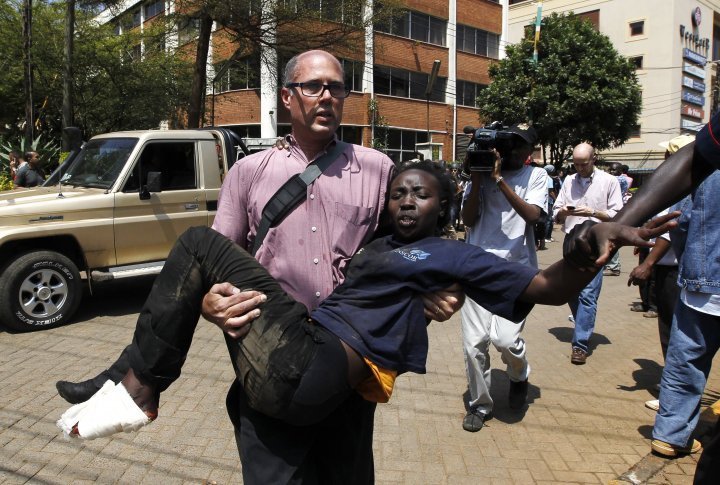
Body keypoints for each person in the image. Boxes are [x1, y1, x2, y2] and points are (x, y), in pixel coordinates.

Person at [55, 49, 462, 484]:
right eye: (313, 87)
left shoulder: (377, 169)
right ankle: (134, 384)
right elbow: (215, 260)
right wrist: (209, 302)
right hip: (268, 355)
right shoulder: (249, 172)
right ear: (287, 97)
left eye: (336, 87)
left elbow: (409, 243)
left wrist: (440, 288)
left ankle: (131, 382)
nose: (326, 96)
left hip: (346, 357)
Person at [57, 162, 672, 443]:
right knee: (200, 260)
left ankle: (137, 387)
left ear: (444, 208)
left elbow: (543, 289)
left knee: (196, 243)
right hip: (291, 366)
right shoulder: (378, 248)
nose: (407, 201)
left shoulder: (451, 256)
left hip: (318, 368)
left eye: (423, 195)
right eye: (400, 193)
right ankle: (130, 380)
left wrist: (588, 246)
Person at [459, 123, 547, 432]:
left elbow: (533, 216)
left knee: (505, 339)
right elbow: (467, 220)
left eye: (516, 146)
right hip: (476, 267)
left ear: (528, 151)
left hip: (516, 270)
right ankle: (480, 405)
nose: (509, 151)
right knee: (474, 345)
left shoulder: (536, 175)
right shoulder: (479, 172)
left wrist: (499, 180)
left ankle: (519, 374)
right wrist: (478, 179)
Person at [552, 142, 623, 365]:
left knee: (588, 294)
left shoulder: (609, 181)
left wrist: (593, 212)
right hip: (572, 241)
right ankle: (582, 324)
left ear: (594, 159)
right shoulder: (569, 180)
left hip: (595, 242)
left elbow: (617, 214)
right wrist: (563, 212)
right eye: (576, 164)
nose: (579, 168)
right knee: (571, 290)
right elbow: (555, 212)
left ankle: (580, 344)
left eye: (583, 163)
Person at [603, 163, 628, 276]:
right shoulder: (614, 179)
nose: (612, 172)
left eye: (614, 170)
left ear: (620, 171)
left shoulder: (620, 179)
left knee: (611, 239)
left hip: (615, 212)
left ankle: (614, 266)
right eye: (611, 170)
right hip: (610, 211)